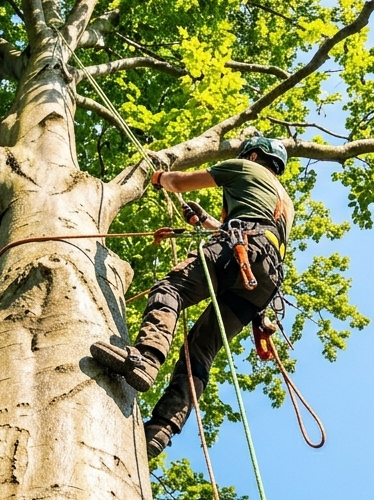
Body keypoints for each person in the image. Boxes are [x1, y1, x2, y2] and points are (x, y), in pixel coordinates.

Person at [90, 136, 295, 459]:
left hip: (241, 249)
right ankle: (161, 429)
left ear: (253, 154)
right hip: (264, 280)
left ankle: (147, 358)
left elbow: (180, 182)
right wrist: (206, 221)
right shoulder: (283, 199)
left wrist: (159, 177)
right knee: (201, 349)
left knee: (170, 289)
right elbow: (249, 227)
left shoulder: (242, 167)